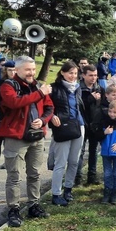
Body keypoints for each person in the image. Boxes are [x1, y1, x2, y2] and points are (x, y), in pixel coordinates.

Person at [0, 56, 54, 227]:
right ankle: (13, 209)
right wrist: (40, 93)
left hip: (37, 137)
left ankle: (33, 205)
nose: (32, 73)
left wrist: (43, 120)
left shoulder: (38, 86)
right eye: (28, 70)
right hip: (16, 137)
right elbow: (15, 103)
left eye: (33, 69)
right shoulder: (8, 86)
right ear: (17, 70)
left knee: (34, 173)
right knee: (14, 175)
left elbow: (50, 107)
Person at [48, 61, 86, 206]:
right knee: (60, 162)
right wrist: (52, 116)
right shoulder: (54, 88)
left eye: (75, 73)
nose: (73, 76)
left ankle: (68, 189)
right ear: (63, 73)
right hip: (62, 127)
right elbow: (47, 107)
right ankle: (56, 194)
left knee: (74, 161)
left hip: (78, 126)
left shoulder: (78, 88)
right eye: (70, 73)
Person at [78, 64, 104, 185]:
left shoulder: (99, 88)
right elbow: (77, 106)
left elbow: (103, 106)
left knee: (94, 151)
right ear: (83, 75)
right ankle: (77, 177)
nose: (93, 78)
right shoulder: (78, 88)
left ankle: (92, 177)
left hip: (95, 124)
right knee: (80, 152)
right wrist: (90, 98)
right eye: (90, 75)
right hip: (82, 124)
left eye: (95, 75)